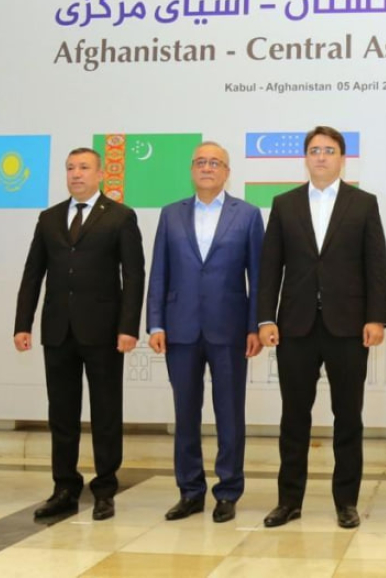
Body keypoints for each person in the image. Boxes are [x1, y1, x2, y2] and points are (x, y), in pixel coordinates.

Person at [257, 125, 386, 529]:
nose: (321, 157)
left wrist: (376, 317)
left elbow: (375, 265)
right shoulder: (284, 204)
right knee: (294, 418)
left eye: (329, 150)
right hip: (295, 327)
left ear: (342, 159)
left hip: (348, 327)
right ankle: (288, 501)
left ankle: (346, 502)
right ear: (306, 157)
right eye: (314, 150)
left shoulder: (363, 204)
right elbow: (270, 266)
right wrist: (265, 317)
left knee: (348, 417)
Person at [14, 147, 145, 521]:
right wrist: (23, 323)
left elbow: (133, 275)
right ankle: (64, 487)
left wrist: (128, 327)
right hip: (58, 330)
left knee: (106, 412)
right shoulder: (49, 217)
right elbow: (33, 273)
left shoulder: (120, 216)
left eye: (84, 167)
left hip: (104, 331)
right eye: (71, 167)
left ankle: (105, 489)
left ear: (100, 174)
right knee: (61, 413)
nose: (76, 173)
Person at [146, 142, 264, 523]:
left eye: (215, 162)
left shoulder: (247, 215)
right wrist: (156, 322)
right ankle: (190, 491)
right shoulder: (171, 214)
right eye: (201, 162)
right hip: (180, 329)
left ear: (227, 172)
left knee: (230, 413)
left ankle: (228, 491)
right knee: (185, 414)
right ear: (191, 169)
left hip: (230, 330)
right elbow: (159, 272)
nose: (207, 168)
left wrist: (255, 326)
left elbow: (258, 278)